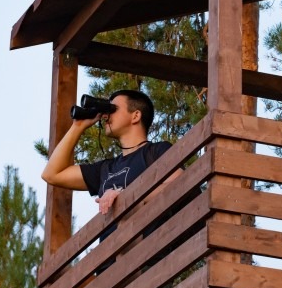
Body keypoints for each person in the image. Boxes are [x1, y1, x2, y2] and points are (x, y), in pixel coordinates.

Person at [41, 89, 179, 222]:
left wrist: (124, 196)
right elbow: (52, 174)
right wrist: (77, 127)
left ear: (135, 116)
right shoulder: (105, 169)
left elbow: (178, 183)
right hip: (116, 245)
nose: (106, 115)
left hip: (151, 242)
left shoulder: (156, 151)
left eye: (113, 109)